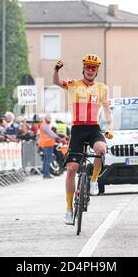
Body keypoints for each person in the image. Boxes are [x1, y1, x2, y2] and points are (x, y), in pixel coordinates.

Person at [53, 54, 114, 225]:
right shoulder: (73, 85)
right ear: (83, 68)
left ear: (97, 71)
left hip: (93, 128)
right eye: (88, 66)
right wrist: (56, 70)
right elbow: (57, 82)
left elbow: (108, 111)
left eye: (93, 68)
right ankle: (69, 209)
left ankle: (94, 180)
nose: (90, 70)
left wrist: (109, 128)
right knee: (72, 169)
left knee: (101, 149)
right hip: (78, 129)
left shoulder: (102, 88)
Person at [37, 114, 62, 179]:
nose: (50, 120)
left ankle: (44, 172)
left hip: (45, 144)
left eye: (50, 118)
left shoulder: (43, 124)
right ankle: (46, 174)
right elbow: (51, 133)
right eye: (49, 118)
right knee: (48, 159)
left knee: (46, 159)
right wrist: (58, 137)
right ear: (45, 118)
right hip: (48, 144)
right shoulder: (45, 125)